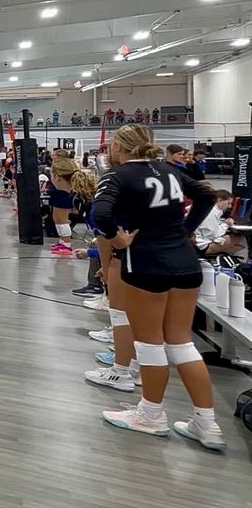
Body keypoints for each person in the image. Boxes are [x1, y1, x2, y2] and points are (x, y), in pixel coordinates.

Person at [91, 124, 224, 449]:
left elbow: (101, 215)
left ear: (119, 147)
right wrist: (185, 228)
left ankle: (150, 415)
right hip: (185, 262)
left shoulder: (117, 176)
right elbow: (207, 195)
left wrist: (118, 238)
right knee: (182, 343)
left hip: (147, 262)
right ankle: (207, 424)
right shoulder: (171, 171)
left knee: (150, 344)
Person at [196, 190, 247, 259]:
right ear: (219, 200)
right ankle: (243, 263)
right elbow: (211, 235)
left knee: (236, 247)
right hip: (202, 245)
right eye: (228, 203)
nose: (229, 207)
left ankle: (237, 262)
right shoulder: (212, 212)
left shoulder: (207, 208)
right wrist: (226, 224)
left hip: (197, 243)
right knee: (240, 238)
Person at [49, 157, 81, 256]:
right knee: (58, 221)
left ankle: (67, 244)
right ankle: (63, 242)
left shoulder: (74, 195)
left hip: (62, 199)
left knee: (63, 222)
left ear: (56, 177)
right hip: (59, 197)